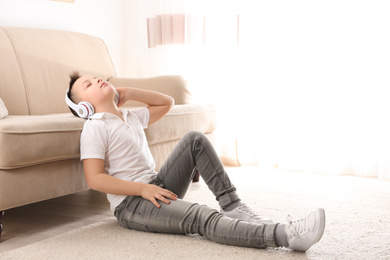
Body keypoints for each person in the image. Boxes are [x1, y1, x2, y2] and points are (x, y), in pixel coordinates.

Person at [65, 72, 326, 252]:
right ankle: (284, 235)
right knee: (201, 216)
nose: (96, 80)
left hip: (156, 186)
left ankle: (232, 205)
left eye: (95, 76)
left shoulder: (129, 116)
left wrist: (130, 92)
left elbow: (166, 103)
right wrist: (143, 189)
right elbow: (95, 179)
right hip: (132, 205)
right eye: (87, 85)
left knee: (194, 139)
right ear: (83, 108)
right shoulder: (95, 127)